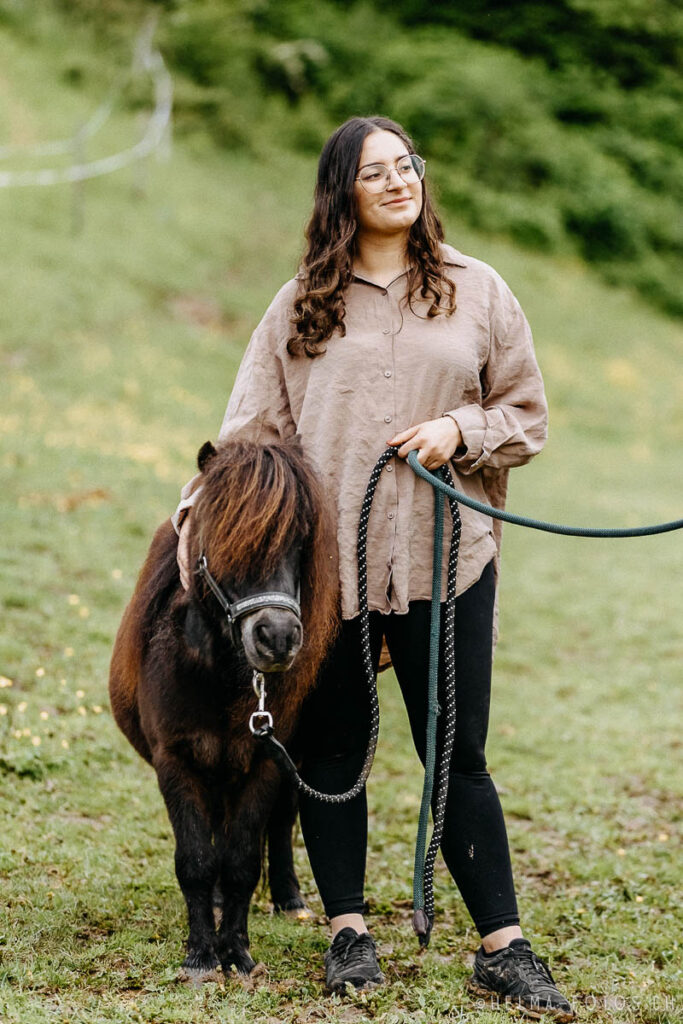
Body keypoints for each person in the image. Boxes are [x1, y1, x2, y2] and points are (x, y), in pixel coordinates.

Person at [173, 116, 574, 1020]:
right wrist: (198, 511)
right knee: (332, 755)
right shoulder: (299, 303)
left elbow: (527, 414)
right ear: (341, 194)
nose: (398, 182)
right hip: (333, 575)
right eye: (374, 173)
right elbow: (250, 432)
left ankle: (501, 945)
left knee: (457, 753)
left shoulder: (478, 290)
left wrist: (461, 430)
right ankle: (347, 931)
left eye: (406, 166)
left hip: (448, 557)